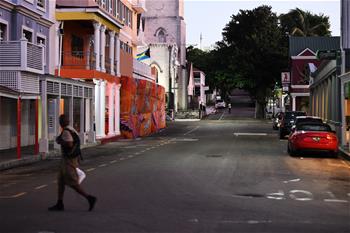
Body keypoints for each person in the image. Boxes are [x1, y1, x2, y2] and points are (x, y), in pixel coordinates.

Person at [48, 114, 97, 211]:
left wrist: (60, 141)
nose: (60, 122)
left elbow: (69, 144)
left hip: (68, 160)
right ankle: (60, 203)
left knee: (73, 182)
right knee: (61, 181)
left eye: (61, 120)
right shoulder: (71, 129)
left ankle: (89, 198)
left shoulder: (66, 131)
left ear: (62, 122)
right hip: (68, 159)